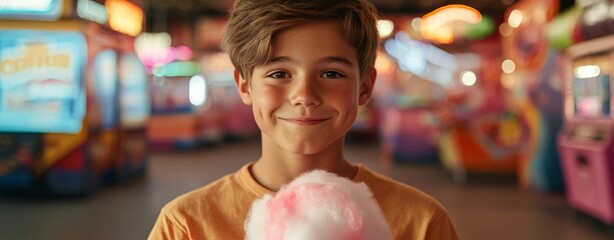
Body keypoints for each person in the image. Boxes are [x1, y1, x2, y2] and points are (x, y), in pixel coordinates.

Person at [148, 0, 459, 239]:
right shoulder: (186, 225)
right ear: (245, 85)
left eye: (331, 73)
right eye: (279, 74)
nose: (305, 94)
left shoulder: (421, 224)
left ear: (364, 87)